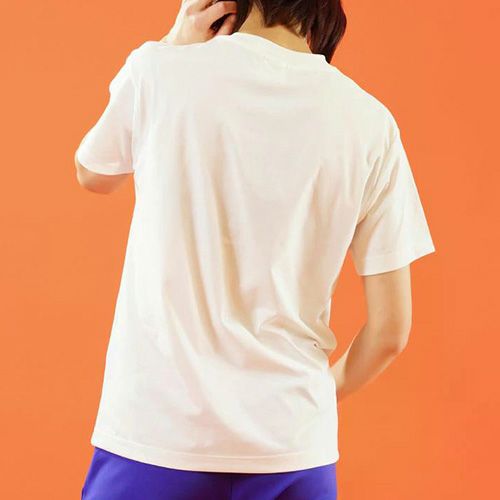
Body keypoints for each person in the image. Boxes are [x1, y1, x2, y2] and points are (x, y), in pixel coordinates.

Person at [75, 1, 436, 498]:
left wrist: (174, 42)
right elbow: (391, 330)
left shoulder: (161, 70)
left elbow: (93, 173)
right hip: (293, 447)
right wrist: (311, 400)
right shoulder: (371, 123)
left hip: (158, 436)